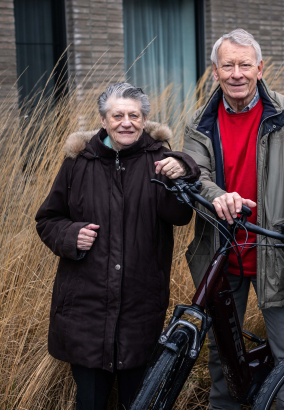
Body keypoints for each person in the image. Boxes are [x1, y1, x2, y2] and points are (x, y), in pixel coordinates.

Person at [35, 83, 200, 410]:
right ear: (103, 119)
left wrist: (183, 172)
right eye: (118, 115)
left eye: (133, 115)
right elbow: (47, 219)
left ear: (144, 119)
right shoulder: (78, 162)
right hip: (86, 311)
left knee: (137, 403)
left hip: (139, 310)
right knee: (90, 402)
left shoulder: (161, 159)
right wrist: (71, 236)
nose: (126, 122)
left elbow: (180, 216)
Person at [182, 29, 284, 410]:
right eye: (228, 65)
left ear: (260, 69)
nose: (237, 73)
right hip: (221, 254)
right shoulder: (199, 121)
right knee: (220, 354)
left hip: (277, 251)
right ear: (215, 72)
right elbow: (196, 176)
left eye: (245, 64)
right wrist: (218, 197)